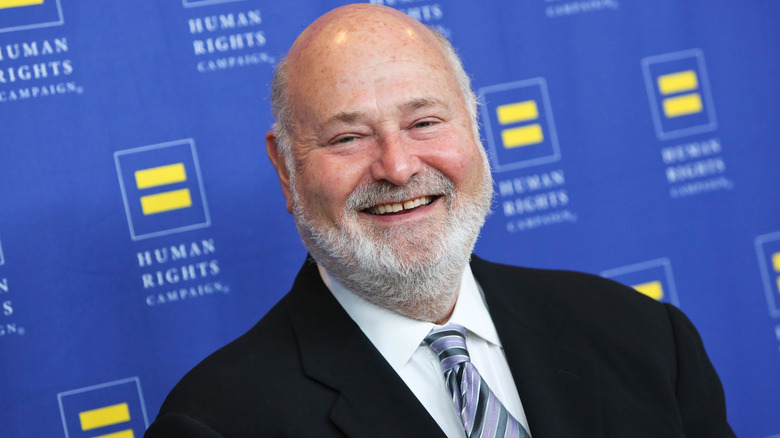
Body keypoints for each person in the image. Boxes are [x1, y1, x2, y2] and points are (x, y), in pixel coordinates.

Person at [145, 4, 735, 437]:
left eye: (425, 122)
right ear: (285, 168)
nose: (398, 168)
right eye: (348, 137)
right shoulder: (216, 422)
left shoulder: (645, 338)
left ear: (475, 129)